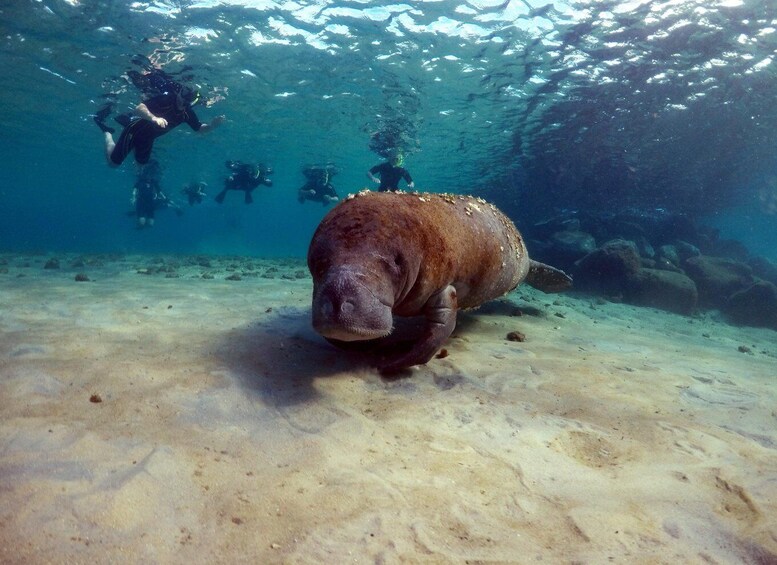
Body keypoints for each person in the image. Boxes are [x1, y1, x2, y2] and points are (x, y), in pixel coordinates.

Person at [94, 79, 224, 167]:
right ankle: (107, 133)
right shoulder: (167, 99)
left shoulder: (187, 113)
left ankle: (132, 148)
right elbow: (139, 108)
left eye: (186, 98)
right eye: (181, 93)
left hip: (148, 138)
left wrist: (212, 126)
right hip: (135, 130)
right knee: (113, 164)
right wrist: (153, 118)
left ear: (190, 102)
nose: (180, 98)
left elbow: (199, 128)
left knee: (141, 164)